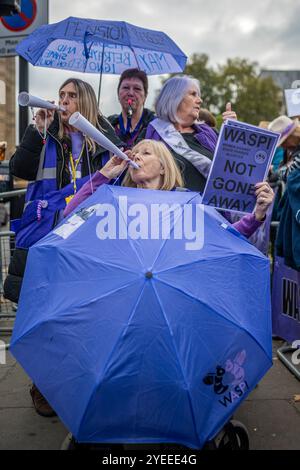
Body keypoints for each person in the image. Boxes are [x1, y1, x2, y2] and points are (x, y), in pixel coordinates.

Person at [4, 77, 122, 418]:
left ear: (85, 102)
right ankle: (42, 384)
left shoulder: (99, 136)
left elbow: (121, 164)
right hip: (47, 235)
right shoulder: (46, 133)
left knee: (83, 312)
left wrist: (96, 130)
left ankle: (80, 379)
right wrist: (34, 131)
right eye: (61, 95)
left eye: (72, 96)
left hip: (88, 239)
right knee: (45, 312)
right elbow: (20, 170)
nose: (63, 101)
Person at [64, 140, 274, 236]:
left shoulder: (186, 202)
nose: (135, 156)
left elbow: (225, 236)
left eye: (145, 153)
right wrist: (104, 175)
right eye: (135, 153)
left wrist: (257, 215)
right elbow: (70, 215)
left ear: (163, 167)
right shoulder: (118, 200)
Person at [144, 75, 236, 192]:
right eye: (193, 94)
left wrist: (234, 134)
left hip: (211, 210)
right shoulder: (152, 133)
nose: (200, 100)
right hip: (170, 207)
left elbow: (233, 170)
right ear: (174, 98)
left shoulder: (210, 133)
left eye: (198, 95)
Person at [108, 68, 155, 149]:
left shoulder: (156, 128)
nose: (130, 93)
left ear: (145, 96)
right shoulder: (106, 127)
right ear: (118, 93)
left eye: (137, 89)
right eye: (126, 87)